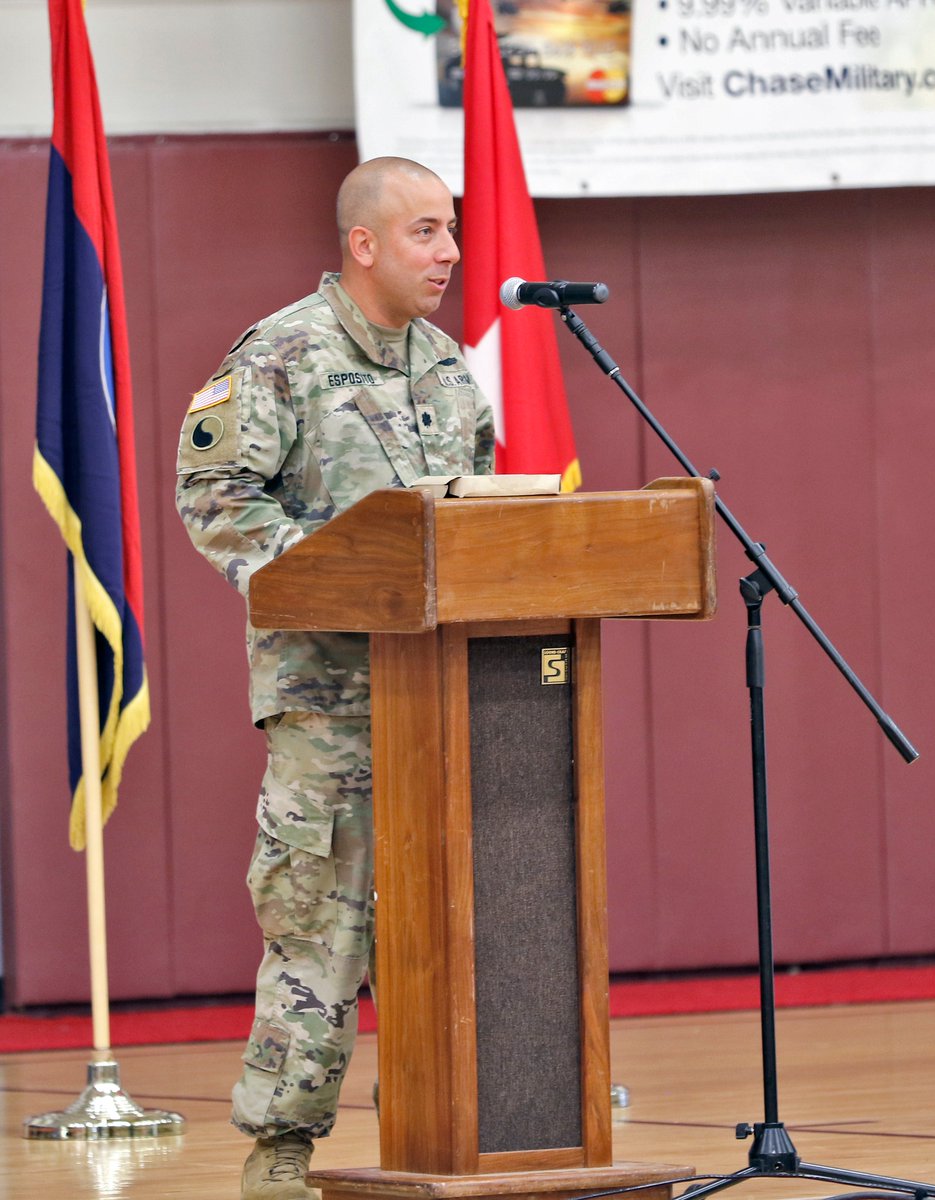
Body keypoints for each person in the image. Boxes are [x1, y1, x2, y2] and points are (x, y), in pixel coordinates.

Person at [175, 157, 495, 1199]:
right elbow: (217, 497)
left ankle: (485, 1126)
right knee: (323, 924)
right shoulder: (279, 357)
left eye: (450, 232)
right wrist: (332, 578)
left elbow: (486, 514)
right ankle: (280, 1154)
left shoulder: (448, 368)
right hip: (331, 703)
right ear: (364, 244)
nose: (448, 253)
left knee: (472, 915)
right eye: (425, 233)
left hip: (446, 698)